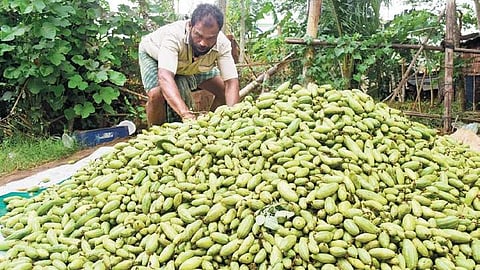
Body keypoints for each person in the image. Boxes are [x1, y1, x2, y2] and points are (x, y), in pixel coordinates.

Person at [138, 3, 240, 126]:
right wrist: (186, 114)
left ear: (218, 33)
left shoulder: (222, 44)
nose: (203, 43)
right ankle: (155, 134)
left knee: (223, 91)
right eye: (198, 35)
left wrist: (233, 115)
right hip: (155, 56)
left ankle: (211, 126)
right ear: (190, 25)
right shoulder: (174, 36)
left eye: (210, 38)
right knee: (156, 94)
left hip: (193, 63)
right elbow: (165, 77)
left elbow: (231, 82)